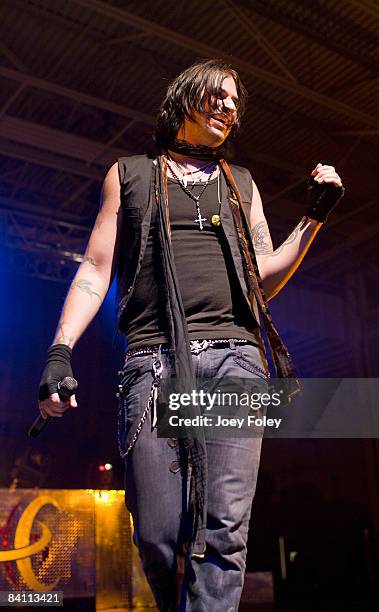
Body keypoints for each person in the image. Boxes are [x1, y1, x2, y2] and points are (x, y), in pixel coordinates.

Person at [38, 59, 344, 611]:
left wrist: (313, 219)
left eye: (236, 102)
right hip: (153, 363)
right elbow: (94, 268)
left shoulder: (239, 183)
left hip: (236, 362)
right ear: (185, 99)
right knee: (157, 535)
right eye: (219, 96)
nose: (231, 107)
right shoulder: (129, 174)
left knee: (223, 533)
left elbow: (262, 281)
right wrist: (61, 350)